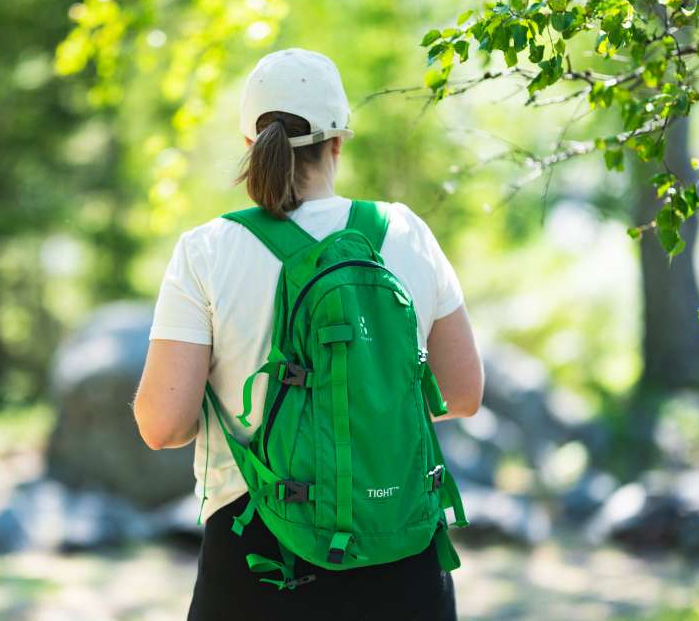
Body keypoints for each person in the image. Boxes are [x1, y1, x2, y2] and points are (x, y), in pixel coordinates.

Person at [134, 48, 484, 621]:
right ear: (339, 140)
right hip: (402, 551)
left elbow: (162, 425)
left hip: (260, 563)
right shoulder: (406, 233)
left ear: (251, 144)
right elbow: (463, 394)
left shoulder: (207, 251)